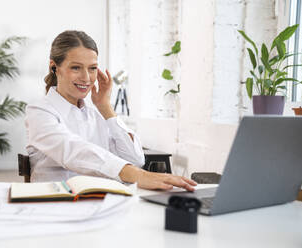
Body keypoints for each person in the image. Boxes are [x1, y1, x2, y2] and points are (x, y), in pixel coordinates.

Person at [25, 30, 196, 191]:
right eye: (76, 67)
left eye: (92, 68)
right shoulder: (39, 111)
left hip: (98, 203)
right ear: (55, 67)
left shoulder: (96, 116)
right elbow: (72, 151)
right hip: (53, 203)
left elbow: (135, 158)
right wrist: (138, 175)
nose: (86, 77)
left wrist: (105, 108)